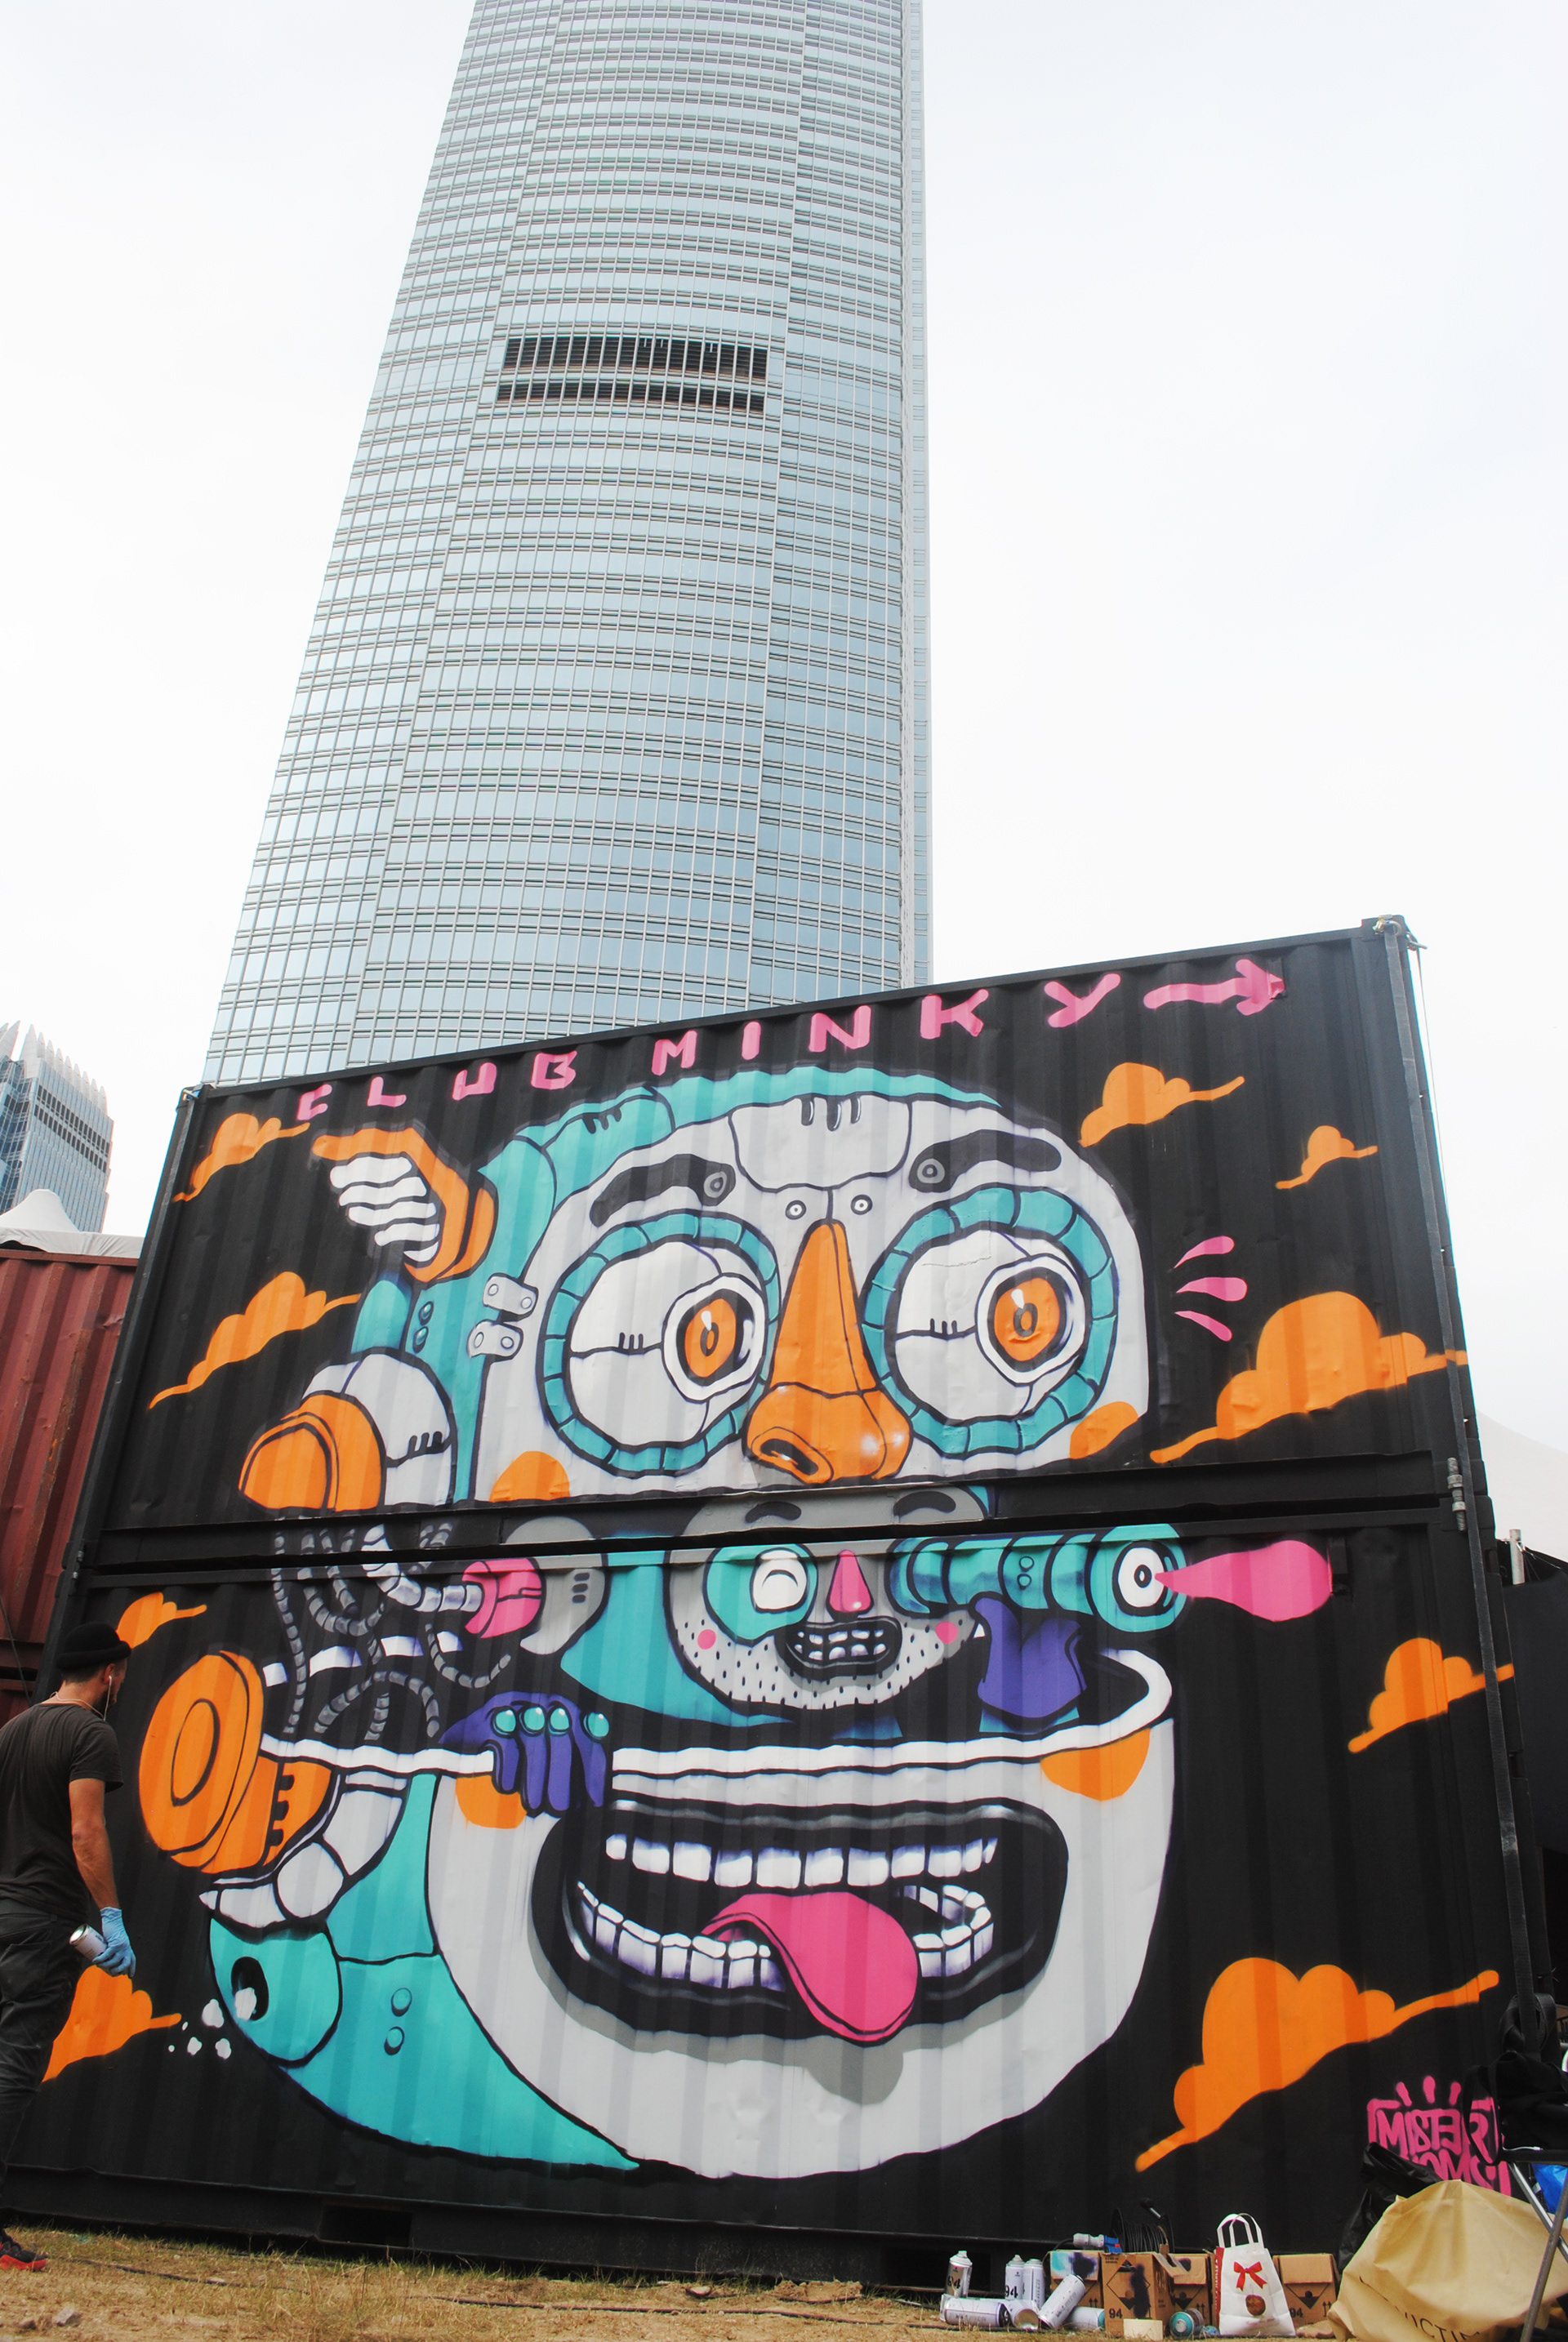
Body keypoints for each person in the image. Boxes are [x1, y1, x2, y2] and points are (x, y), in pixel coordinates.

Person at [0, 1623, 136, 2273]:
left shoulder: (13, 1730)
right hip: (44, 1924)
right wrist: (111, 1916)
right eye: (122, 1675)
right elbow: (86, 1832)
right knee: (13, 2067)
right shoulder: (90, 1733)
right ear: (109, 1673)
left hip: (3, 1912)